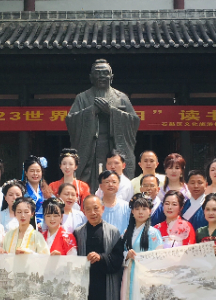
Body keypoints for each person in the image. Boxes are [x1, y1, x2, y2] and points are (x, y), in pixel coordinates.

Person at [66, 59, 140, 191]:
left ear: (111, 77)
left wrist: (111, 111)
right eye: (97, 73)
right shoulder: (82, 97)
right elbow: (71, 120)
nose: (101, 76)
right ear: (91, 77)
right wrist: (91, 111)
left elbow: (133, 121)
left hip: (114, 145)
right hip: (90, 148)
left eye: (105, 73)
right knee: (88, 182)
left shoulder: (121, 97)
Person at [22, 155, 54, 227]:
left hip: (44, 226)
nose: (35, 174)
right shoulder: (21, 190)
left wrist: (42, 224)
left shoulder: (47, 191)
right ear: (26, 172)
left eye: (38, 171)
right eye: (32, 171)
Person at [98, 170, 131, 235]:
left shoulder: (127, 207)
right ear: (101, 186)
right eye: (107, 182)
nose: (110, 185)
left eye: (114, 182)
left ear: (118, 185)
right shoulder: (96, 207)